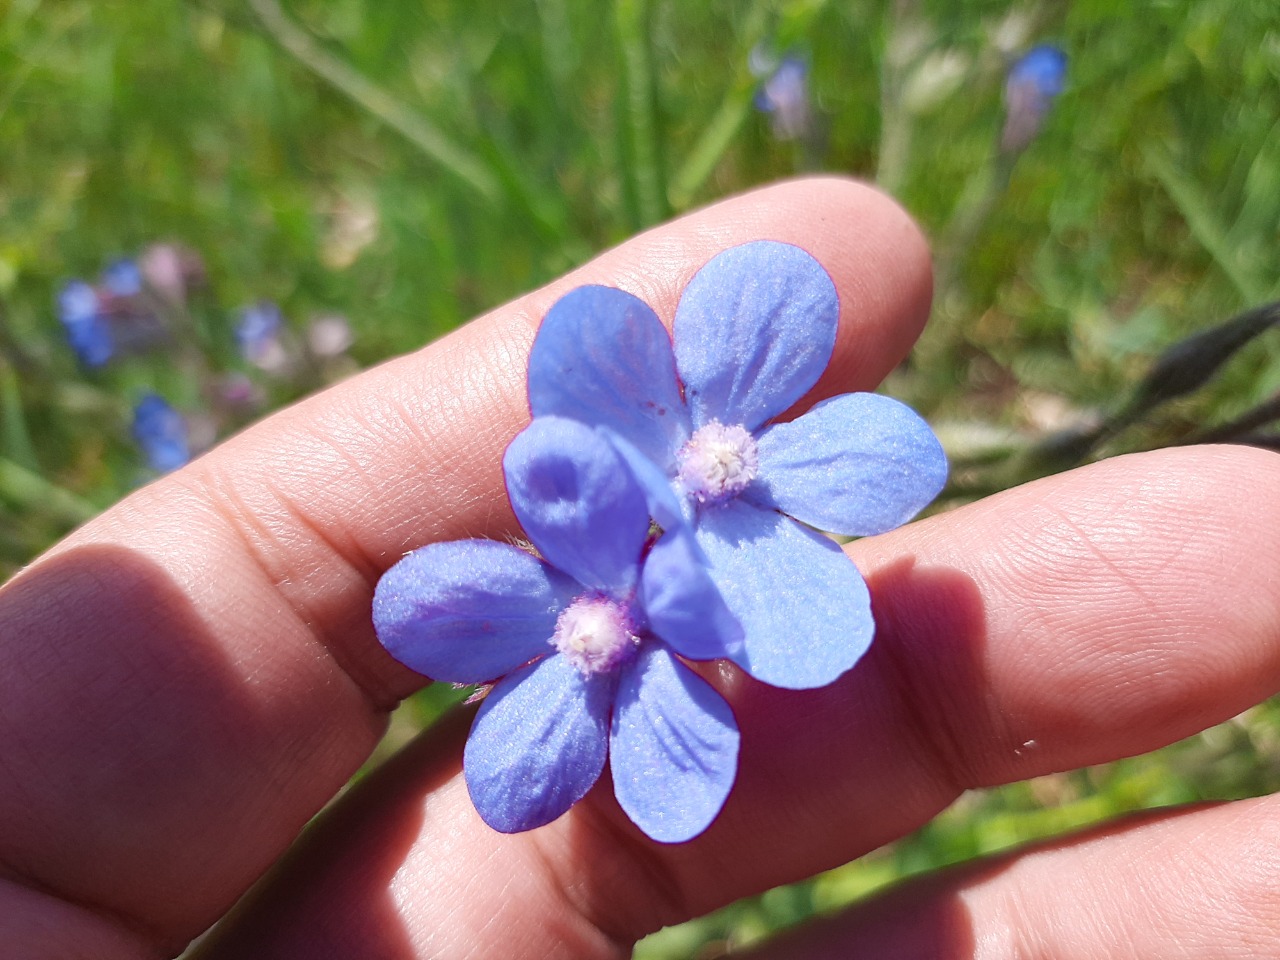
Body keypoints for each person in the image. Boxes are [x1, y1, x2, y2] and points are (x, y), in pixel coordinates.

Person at [1, 179, 1277, 959]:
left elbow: (839, 502)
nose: (712, 457)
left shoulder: (700, 521)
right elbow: (525, 667)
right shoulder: (591, 567)